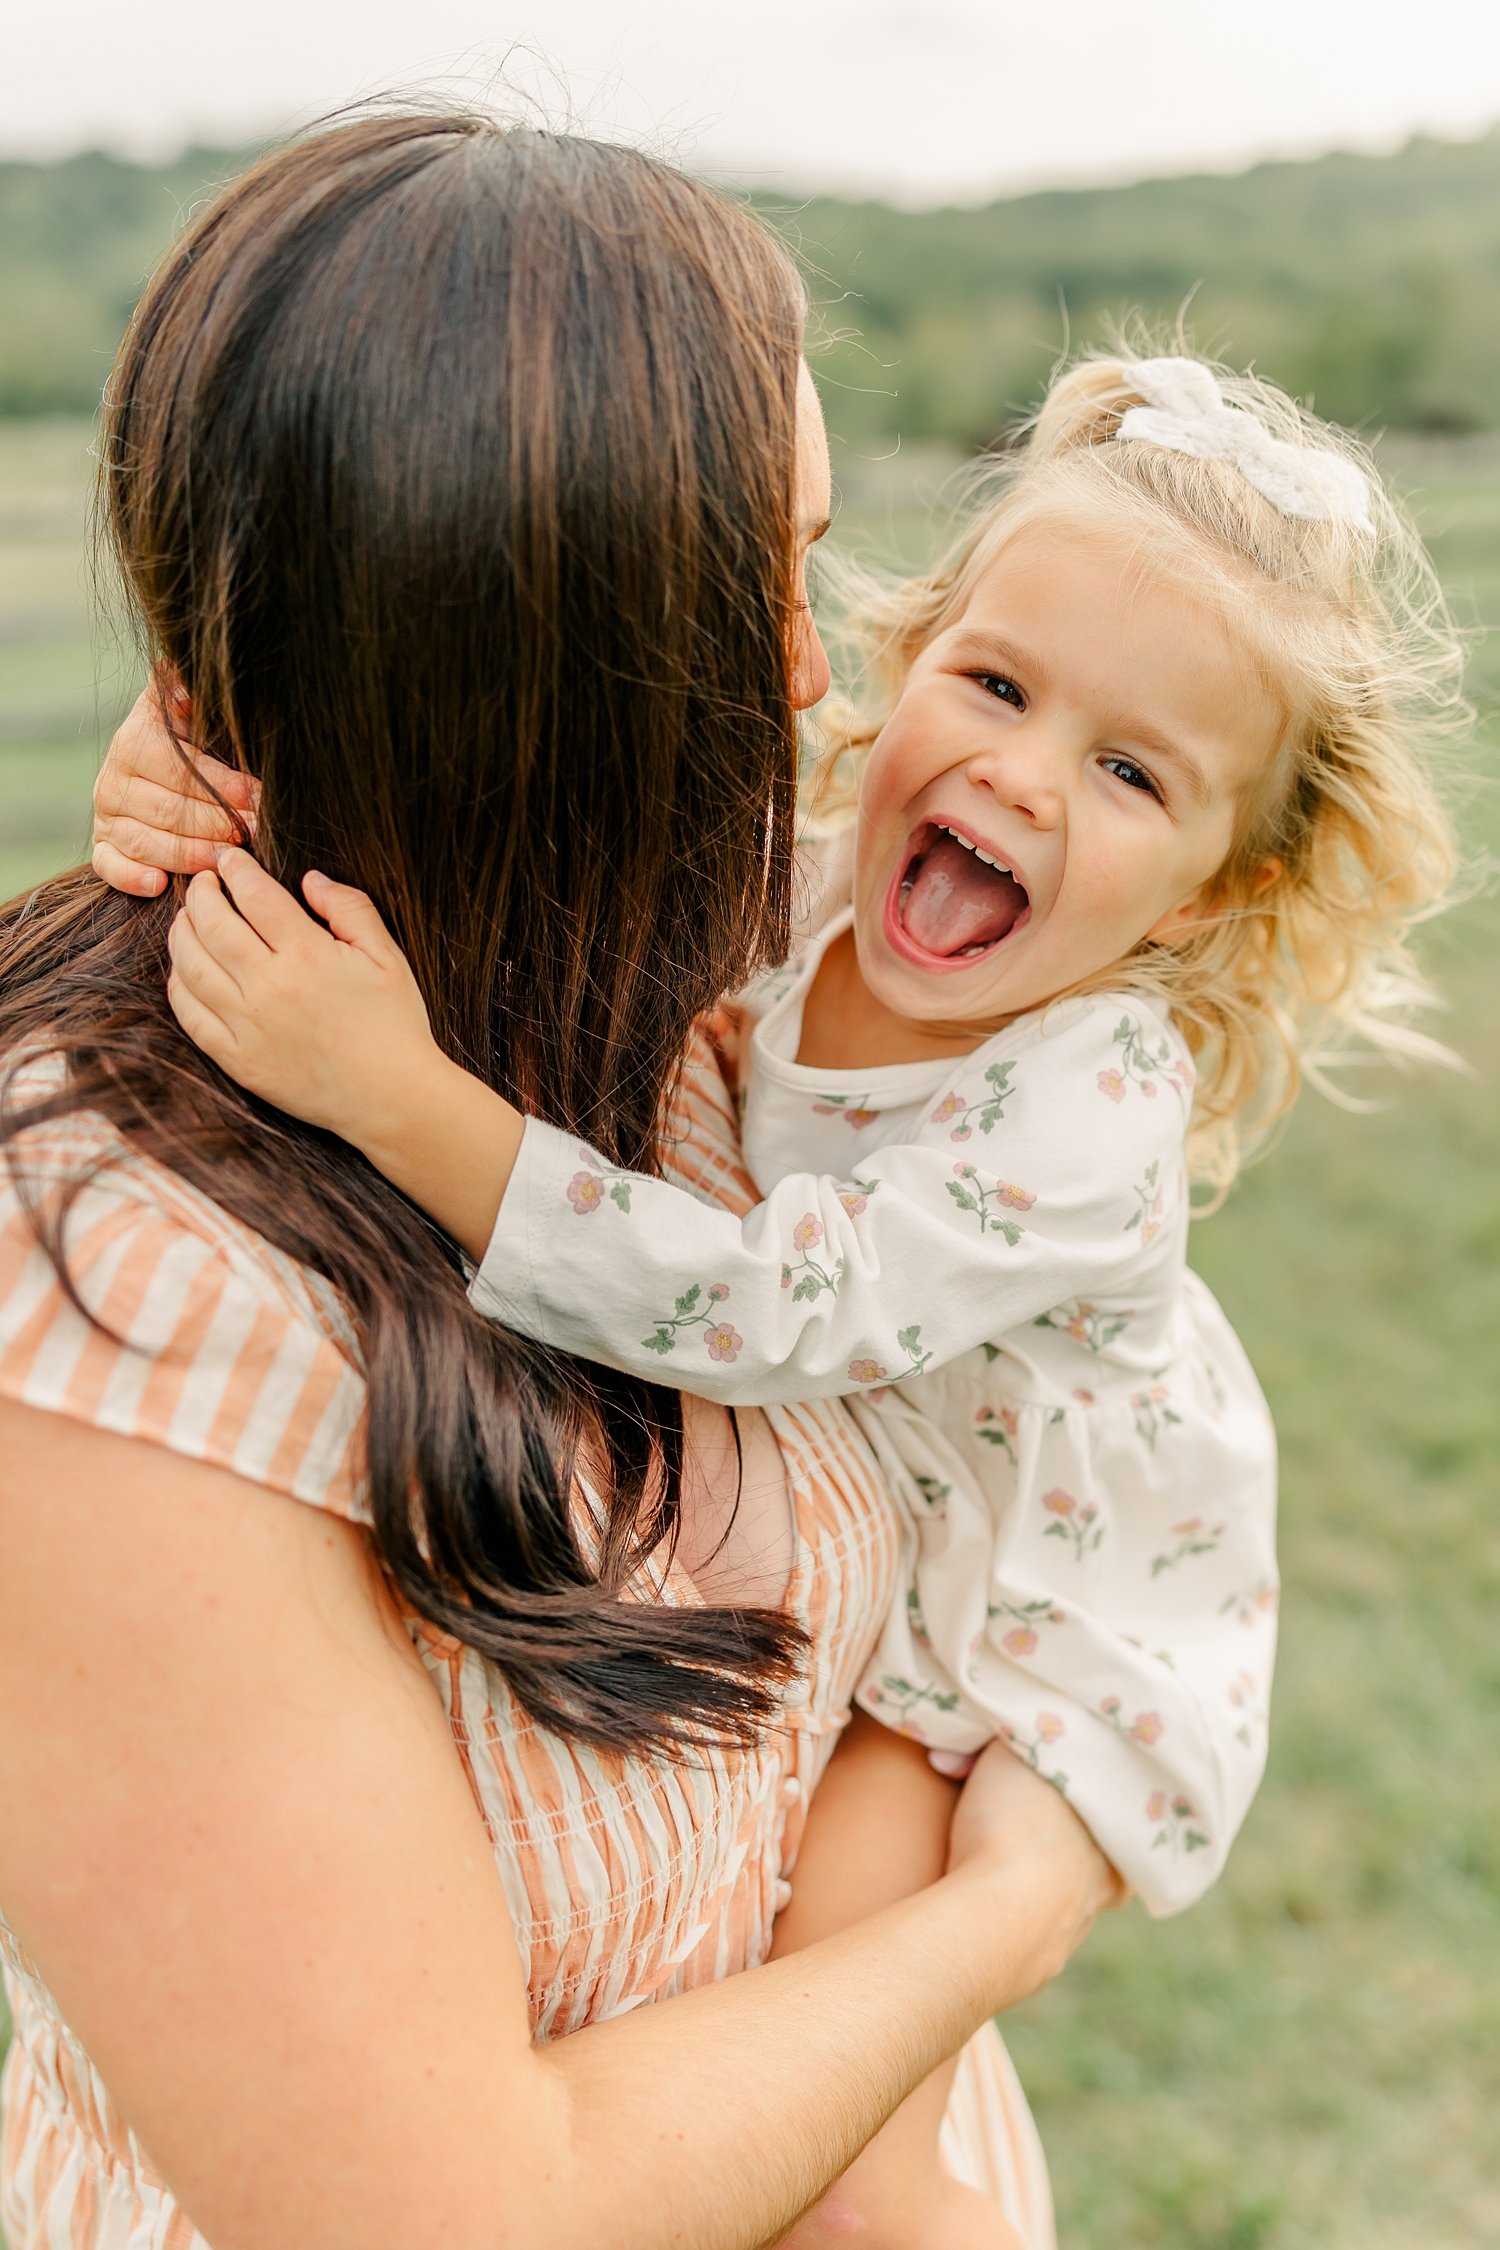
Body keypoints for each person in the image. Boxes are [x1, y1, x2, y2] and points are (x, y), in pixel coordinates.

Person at [127, 349, 1461, 2243]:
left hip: (1014, 1626)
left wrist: (417, 1112)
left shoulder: (1095, 1099)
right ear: (912, 660)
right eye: (996, 682)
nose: (1018, 767)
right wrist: (186, 746)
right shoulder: (827, 883)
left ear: (1197, 904)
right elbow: (515, 786)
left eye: (1131, 769)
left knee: (841, 2128)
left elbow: (779, 1299)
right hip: (896, 1548)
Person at [0, 111, 1119, 2250]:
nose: (814, 674)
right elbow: (456, 2213)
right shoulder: (103, 1297)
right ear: (525, 672)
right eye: (755, 590)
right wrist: (1010, 1918)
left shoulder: (685, 1019)